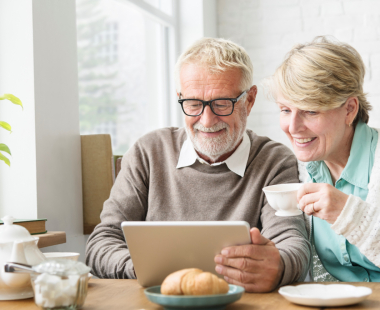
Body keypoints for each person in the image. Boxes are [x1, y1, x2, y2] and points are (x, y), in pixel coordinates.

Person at [86, 38, 310, 292]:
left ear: (249, 100)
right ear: (180, 98)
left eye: (222, 103)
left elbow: (293, 245)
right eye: (193, 104)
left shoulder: (275, 160)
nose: (207, 119)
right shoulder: (148, 152)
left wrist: (279, 267)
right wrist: (144, 269)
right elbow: (101, 244)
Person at [267, 36, 380, 282]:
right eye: (286, 110)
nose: (293, 127)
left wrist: (349, 214)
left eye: (310, 110)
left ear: (349, 109)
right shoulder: (299, 170)